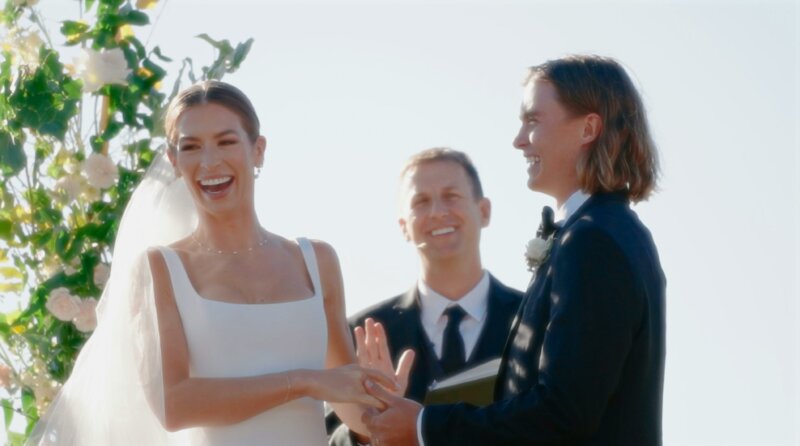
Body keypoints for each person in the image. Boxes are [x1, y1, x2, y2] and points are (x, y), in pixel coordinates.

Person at [28, 80, 394, 445]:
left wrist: (379, 401)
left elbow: (350, 409)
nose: (209, 162)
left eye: (226, 141)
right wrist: (305, 381)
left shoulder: (317, 261)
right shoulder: (159, 270)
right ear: (174, 161)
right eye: (191, 147)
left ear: (258, 150)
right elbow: (174, 406)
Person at [362, 55, 667, 445]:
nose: (519, 140)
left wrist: (424, 426)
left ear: (588, 128)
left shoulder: (594, 241)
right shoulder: (604, 231)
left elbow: (563, 413)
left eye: (533, 121)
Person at [328, 148, 522, 446]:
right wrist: (366, 425)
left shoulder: (535, 316)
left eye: (451, 196)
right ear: (404, 226)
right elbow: (326, 436)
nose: (437, 212)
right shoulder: (362, 334)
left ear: (484, 211)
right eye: (421, 201)